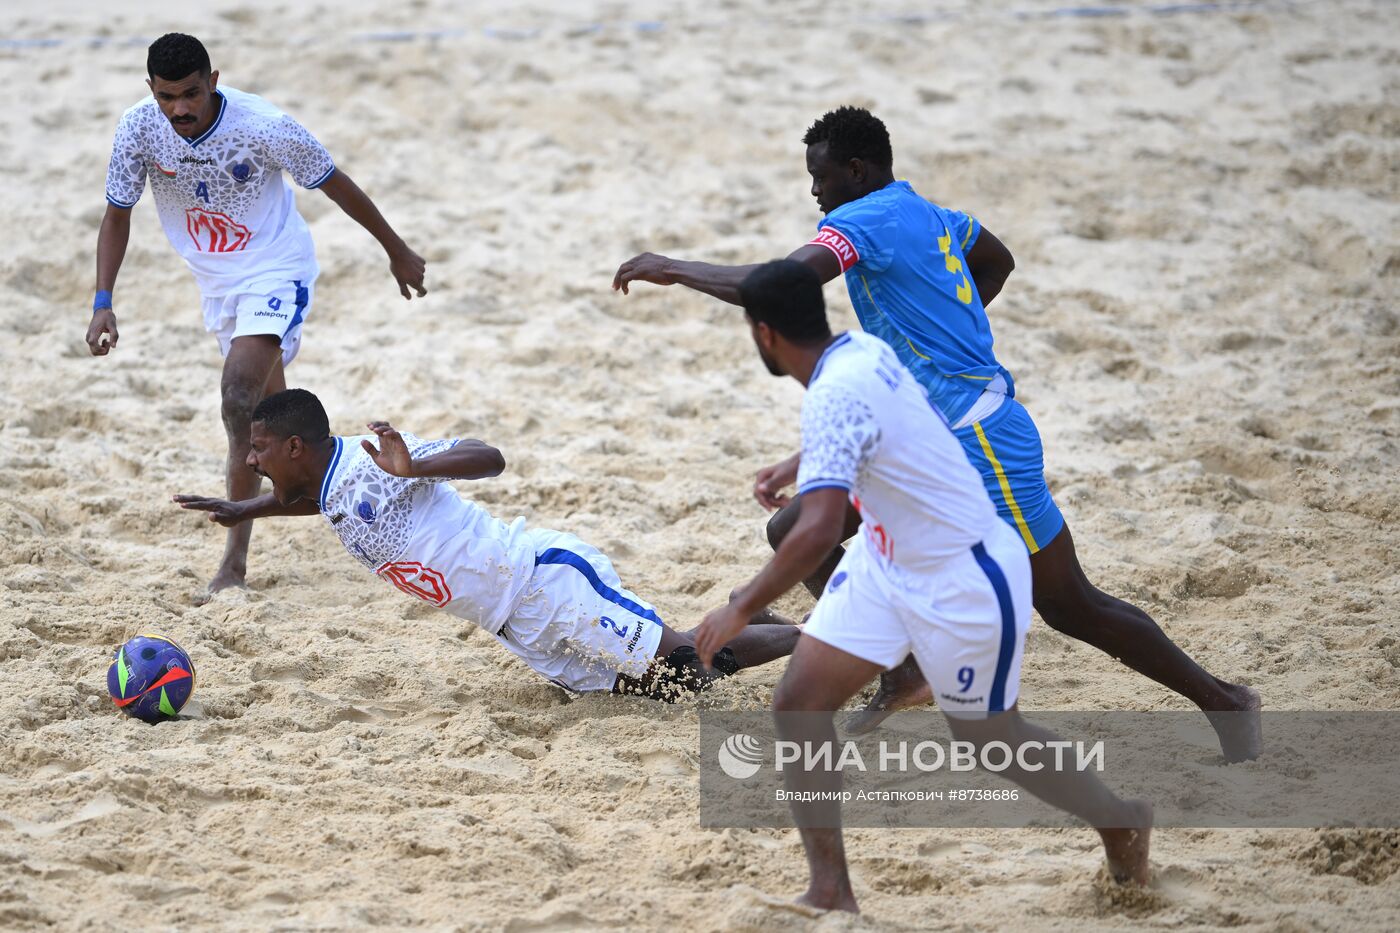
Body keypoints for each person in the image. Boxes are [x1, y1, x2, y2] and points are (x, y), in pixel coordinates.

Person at [614, 106, 1260, 761]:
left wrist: (673, 268)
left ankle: (1226, 701)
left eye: (822, 177)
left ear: (856, 170)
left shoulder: (859, 221)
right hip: (924, 439)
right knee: (794, 531)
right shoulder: (928, 213)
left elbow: (782, 287)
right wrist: (942, 329)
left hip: (983, 439)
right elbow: (997, 260)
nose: (815, 192)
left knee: (1070, 604)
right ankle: (903, 670)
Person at [693, 260, 1152, 912]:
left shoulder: (834, 392)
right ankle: (831, 889)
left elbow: (818, 528)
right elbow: (894, 412)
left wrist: (741, 605)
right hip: (887, 563)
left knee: (993, 739)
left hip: (965, 576)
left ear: (763, 334)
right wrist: (808, 458)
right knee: (799, 701)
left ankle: (1120, 819)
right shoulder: (860, 348)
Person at [174, 389, 800, 698]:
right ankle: (762, 622)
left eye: (257, 449)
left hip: (544, 584)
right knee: (656, 690)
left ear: (293, 448)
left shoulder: (375, 463)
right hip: (515, 625)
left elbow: (489, 457)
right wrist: (241, 508)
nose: (249, 460)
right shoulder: (329, 482)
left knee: (688, 667)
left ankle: (824, 634)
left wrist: (416, 469)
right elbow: (311, 500)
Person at [89, 33, 428, 595]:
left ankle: (234, 560)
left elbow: (336, 184)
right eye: (167, 96)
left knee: (238, 398)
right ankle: (311, 487)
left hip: (276, 269)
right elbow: (116, 214)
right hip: (216, 283)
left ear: (213, 81)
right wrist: (103, 301)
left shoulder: (264, 127)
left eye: (192, 93)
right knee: (271, 414)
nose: (181, 108)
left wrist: (397, 250)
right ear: (151, 90)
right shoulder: (138, 128)